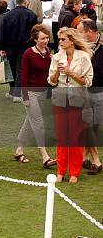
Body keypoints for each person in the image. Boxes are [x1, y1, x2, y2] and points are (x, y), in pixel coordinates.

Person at [48, 27, 93, 184]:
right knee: (62, 137)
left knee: (75, 137)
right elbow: (51, 81)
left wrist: (70, 73)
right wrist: (57, 74)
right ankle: (61, 171)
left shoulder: (83, 57)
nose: (59, 42)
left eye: (63, 39)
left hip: (77, 100)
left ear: (71, 41)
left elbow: (87, 81)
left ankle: (74, 172)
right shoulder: (56, 57)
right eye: (59, 39)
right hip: (60, 99)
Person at [15, 24, 56, 168]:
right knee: (38, 124)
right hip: (30, 92)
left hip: (43, 93)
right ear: (35, 39)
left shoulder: (47, 52)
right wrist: (25, 96)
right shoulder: (28, 54)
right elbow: (23, 77)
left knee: (29, 122)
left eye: (47, 38)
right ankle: (45, 156)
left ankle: (19, 150)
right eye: (42, 38)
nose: (46, 40)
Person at [0, 0, 38, 102]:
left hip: (11, 46)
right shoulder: (31, 15)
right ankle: (17, 93)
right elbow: (34, 33)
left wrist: (2, 48)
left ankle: (13, 92)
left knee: (12, 68)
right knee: (20, 69)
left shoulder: (8, 15)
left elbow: (3, 33)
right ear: (26, 1)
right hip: (25, 46)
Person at [76, 19, 102, 175]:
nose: (78, 34)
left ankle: (92, 159)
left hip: (99, 92)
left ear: (90, 32)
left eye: (80, 31)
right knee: (88, 126)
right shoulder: (81, 49)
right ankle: (91, 159)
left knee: (93, 126)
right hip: (85, 91)